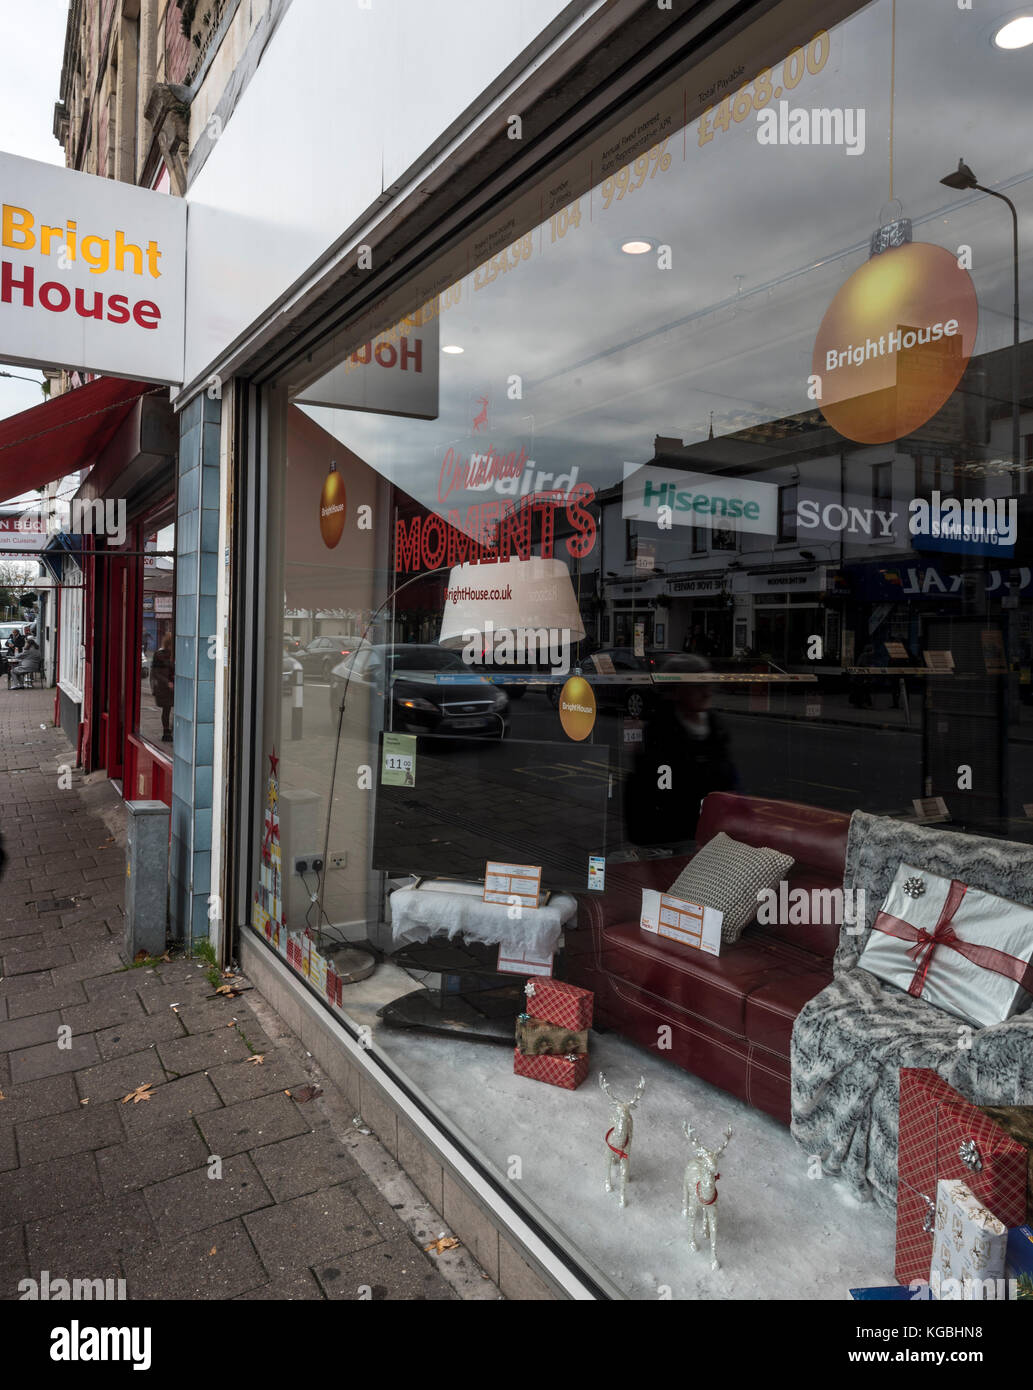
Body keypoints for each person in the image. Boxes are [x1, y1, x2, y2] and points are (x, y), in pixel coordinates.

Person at [624, 653, 739, 851]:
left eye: (709, 683)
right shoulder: (658, 735)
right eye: (698, 685)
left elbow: (730, 783)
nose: (707, 692)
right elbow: (657, 801)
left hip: (713, 839)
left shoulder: (716, 727)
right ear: (675, 692)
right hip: (676, 843)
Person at [150, 631, 174, 741]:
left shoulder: (175, 654)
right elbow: (156, 673)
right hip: (164, 688)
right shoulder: (159, 655)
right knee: (167, 709)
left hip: (173, 686)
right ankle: (166, 731)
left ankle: (172, 730)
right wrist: (167, 682)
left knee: (171, 710)